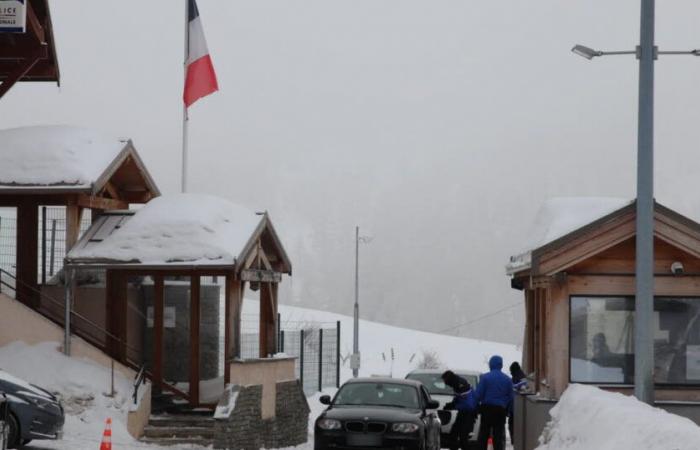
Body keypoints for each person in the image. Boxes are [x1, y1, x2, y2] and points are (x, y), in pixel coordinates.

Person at [474, 355, 513, 450]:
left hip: (487, 409)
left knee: (483, 434)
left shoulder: (485, 378)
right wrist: (507, 408)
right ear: (501, 365)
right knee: (498, 436)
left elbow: (478, 395)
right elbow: (511, 397)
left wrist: (476, 405)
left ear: (491, 365)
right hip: (500, 410)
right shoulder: (507, 379)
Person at [441, 370, 477, 450]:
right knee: (453, 435)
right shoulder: (456, 384)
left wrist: (455, 406)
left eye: (445, 381)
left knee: (463, 437)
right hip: (463, 413)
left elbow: (469, 405)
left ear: (448, 379)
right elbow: (459, 398)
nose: (445, 384)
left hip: (469, 414)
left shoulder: (461, 385)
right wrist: (452, 404)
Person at [508, 361, 527, 445]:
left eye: (511, 371)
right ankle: (515, 441)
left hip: (517, 408)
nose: (511, 373)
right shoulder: (518, 377)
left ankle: (515, 441)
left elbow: (522, 389)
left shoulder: (519, 378)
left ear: (513, 370)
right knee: (512, 425)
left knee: (513, 425)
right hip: (515, 407)